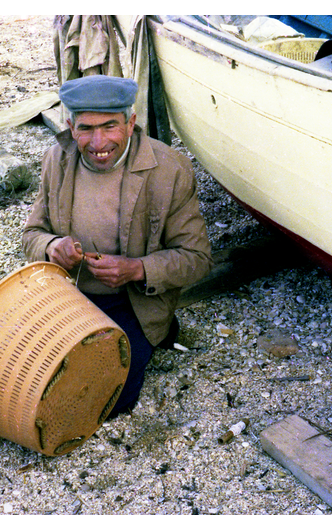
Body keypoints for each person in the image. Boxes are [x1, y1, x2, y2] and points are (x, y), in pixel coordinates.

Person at [22, 75, 213, 417]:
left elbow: (197, 259)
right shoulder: (56, 159)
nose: (98, 142)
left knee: (100, 396)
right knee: (23, 370)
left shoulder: (169, 169)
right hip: (68, 295)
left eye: (110, 126)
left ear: (131, 122)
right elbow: (32, 233)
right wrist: (52, 247)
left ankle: (157, 332)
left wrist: (136, 269)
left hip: (133, 302)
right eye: (85, 129)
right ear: (70, 125)